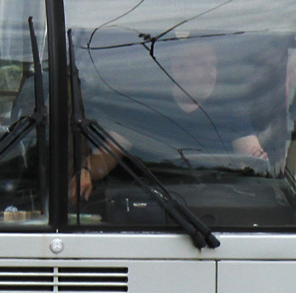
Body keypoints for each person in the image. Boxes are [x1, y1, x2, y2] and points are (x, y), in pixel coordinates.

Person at [73, 37, 268, 203]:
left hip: (212, 205)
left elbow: (251, 157)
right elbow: (107, 156)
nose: (211, 72)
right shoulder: (146, 109)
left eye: (213, 65)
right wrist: (86, 171)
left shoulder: (228, 111)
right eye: (201, 64)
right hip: (157, 206)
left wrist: (258, 163)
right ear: (178, 69)